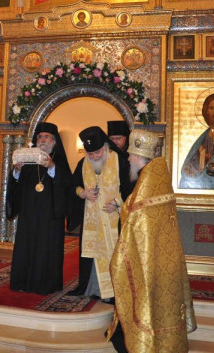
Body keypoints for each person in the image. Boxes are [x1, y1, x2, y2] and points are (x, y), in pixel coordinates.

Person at [107, 129, 196, 352]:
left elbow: (136, 218)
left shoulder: (147, 185)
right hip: (162, 255)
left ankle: (141, 339)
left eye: (130, 155)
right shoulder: (157, 178)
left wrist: (124, 209)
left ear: (138, 157)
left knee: (144, 294)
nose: (128, 159)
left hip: (146, 256)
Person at [67, 126, 132, 298]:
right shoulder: (82, 164)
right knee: (91, 255)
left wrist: (117, 202)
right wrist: (82, 193)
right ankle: (90, 288)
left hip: (114, 218)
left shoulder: (119, 161)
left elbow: (131, 186)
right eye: (91, 154)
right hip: (92, 220)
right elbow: (72, 186)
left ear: (105, 146)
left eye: (98, 152)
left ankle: (113, 293)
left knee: (113, 255)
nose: (95, 157)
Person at [7, 122, 71, 294]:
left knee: (46, 249)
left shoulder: (59, 160)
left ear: (54, 141)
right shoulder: (28, 158)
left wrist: (51, 167)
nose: (43, 140)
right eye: (40, 137)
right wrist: (17, 171)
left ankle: (45, 284)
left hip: (50, 216)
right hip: (29, 214)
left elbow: (67, 184)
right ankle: (23, 282)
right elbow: (16, 184)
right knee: (26, 247)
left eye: (47, 137)